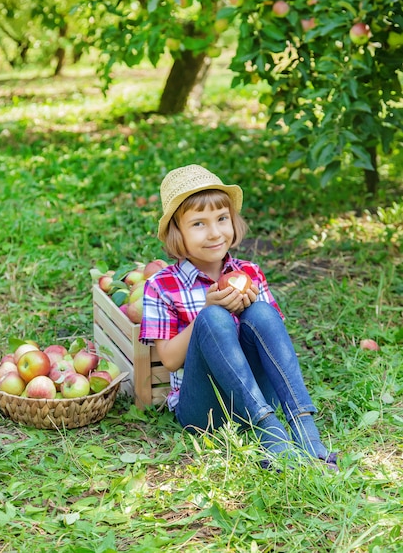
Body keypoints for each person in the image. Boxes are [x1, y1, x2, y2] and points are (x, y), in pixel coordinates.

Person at [140, 164, 338, 471]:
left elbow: (275, 346)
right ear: (177, 233)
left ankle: (304, 427)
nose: (215, 232)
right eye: (199, 224)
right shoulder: (162, 284)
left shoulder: (250, 273)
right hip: (204, 410)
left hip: (256, 393)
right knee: (213, 319)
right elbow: (167, 360)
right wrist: (206, 311)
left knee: (261, 310)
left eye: (222, 219)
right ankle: (270, 434)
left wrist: (250, 308)